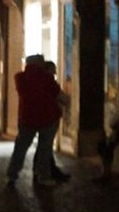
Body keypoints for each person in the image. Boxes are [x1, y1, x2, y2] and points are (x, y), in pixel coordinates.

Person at [5, 54, 70, 188]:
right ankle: (43, 176)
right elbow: (61, 96)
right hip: (48, 117)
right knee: (44, 149)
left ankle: (12, 175)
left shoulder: (20, 78)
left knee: (20, 148)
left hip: (27, 118)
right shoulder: (47, 79)